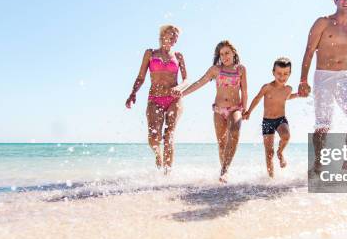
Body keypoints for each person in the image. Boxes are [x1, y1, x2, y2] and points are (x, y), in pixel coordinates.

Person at [298, 0, 347, 174]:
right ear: (335, 0)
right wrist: (303, 80)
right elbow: (309, 50)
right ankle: (319, 162)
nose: (346, 0)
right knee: (323, 125)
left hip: (345, 77)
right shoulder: (323, 22)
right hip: (323, 76)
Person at [175, 40, 247, 183]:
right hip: (218, 110)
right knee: (221, 143)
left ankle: (225, 170)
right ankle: (224, 171)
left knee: (234, 132)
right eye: (222, 54)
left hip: (235, 109)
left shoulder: (241, 69)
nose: (225, 56)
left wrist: (245, 108)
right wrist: (182, 93)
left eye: (227, 53)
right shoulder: (216, 69)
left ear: (233, 53)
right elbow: (199, 83)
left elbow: (244, 91)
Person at [125, 25, 187, 174]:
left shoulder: (178, 56)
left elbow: (186, 80)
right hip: (155, 99)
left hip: (174, 99)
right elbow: (141, 77)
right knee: (154, 137)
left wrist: (179, 88)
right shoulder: (150, 54)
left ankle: (167, 175)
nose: (175, 38)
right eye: (172, 34)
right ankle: (158, 155)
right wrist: (133, 93)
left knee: (169, 135)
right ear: (163, 34)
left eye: (177, 36)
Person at [243, 57, 300, 178]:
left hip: (280, 119)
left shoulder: (288, 89)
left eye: (286, 74)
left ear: (290, 74)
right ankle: (271, 178)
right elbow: (257, 98)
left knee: (286, 136)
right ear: (273, 72)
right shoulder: (267, 87)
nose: (282, 77)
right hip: (267, 121)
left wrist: (299, 94)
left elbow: (287, 97)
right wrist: (249, 111)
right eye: (279, 73)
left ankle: (280, 152)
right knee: (269, 153)